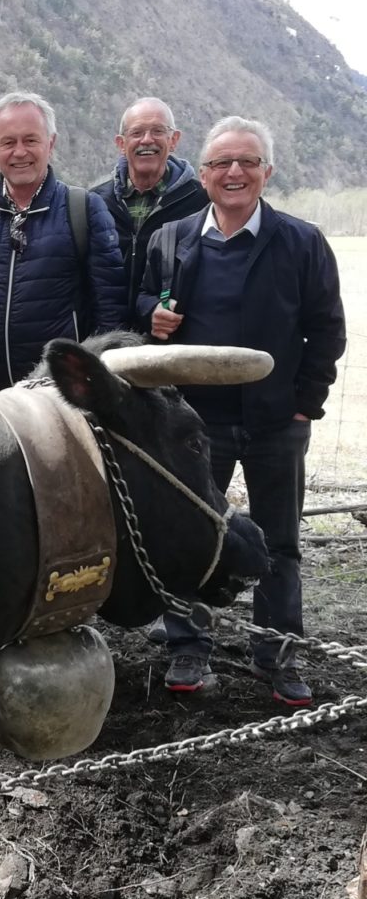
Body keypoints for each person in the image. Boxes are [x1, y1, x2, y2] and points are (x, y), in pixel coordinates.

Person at [137, 116, 346, 705]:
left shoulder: (302, 242)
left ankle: (277, 654)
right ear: (202, 174)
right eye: (222, 163)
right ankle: (187, 647)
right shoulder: (169, 239)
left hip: (278, 422)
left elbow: (327, 330)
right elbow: (143, 305)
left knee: (280, 543)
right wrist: (153, 318)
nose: (235, 172)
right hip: (195, 423)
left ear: (267, 172)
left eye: (248, 161)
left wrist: (306, 405)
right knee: (195, 535)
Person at [0, 91, 126, 389]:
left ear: (50, 143)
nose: (20, 152)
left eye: (31, 140)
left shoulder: (84, 210)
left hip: (59, 399)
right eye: (8, 142)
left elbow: (110, 314)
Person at [91, 97, 209, 321]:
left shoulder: (201, 202)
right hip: (107, 340)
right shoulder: (95, 203)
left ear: (173, 140)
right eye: (136, 133)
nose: (147, 140)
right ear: (121, 144)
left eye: (157, 131)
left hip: (174, 340)